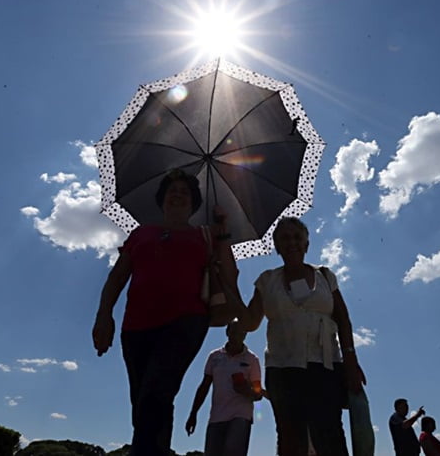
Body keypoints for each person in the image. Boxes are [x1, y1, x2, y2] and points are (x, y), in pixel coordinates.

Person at [92, 169, 237, 456]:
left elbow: (231, 276)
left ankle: (141, 452)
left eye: (185, 191)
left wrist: (223, 231)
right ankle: (156, 450)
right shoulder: (141, 233)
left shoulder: (206, 236)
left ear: (194, 202)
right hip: (136, 327)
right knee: (146, 399)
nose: (178, 194)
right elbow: (117, 277)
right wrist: (103, 315)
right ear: (162, 199)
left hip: (186, 322)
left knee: (156, 392)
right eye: (173, 190)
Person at [227, 217, 365, 456]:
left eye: (297, 238)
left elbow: (343, 319)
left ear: (306, 244)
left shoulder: (325, 277)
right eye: (285, 238)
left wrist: (351, 361)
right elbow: (250, 323)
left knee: (330, 435)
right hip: (283, 370)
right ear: (277, 246)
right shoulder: (267, 280)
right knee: (291, 439)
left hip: (326, 367)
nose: (292, 242)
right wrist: (229, 285)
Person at [185, 320, 263, 456]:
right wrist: (193, 413)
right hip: (217, 416)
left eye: (240, 332)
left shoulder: (252, 359)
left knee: (233, 452)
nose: (236, 335)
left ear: (245, 335)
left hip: (241, 415)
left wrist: (247, 391)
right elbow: (204, 386)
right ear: (227, 333)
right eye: (233, 331)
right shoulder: (214, 357)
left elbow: (258, 392)